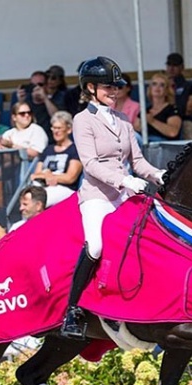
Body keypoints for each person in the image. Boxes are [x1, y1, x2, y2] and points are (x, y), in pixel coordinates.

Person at [61, 56, 164, 339]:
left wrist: (159, 174)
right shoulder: (83, 120)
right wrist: (124, 179)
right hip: (97, 195)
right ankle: (72, 310)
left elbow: (139, 161)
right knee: (95, 245)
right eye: (108, 87)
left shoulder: (123, 120)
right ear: (91, 88)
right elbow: (91, 164)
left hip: (124, 195)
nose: (114, 92)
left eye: (116, 87)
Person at [30, 111, 82, 207]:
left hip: (64, 188)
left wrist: (52, 177)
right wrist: (47, 175)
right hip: (43, 186)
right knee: (28, 198)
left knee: (39, 200)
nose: (55, 131)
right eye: (53, 128)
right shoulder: (48, 150)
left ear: (69, 129)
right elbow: (35, 174)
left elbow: (70, 177)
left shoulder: (74, 150)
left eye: (59, 128)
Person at [133, 72, 182, 141]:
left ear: (167, 90)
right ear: (150, 88)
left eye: (162, 85)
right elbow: (136, 129)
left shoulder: (172, 109)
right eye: (154, 84)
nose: (157, 87)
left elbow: (173, 132)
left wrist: (152, 121)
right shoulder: (145, 110)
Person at [165, 52, 192, 118]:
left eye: (175, 65)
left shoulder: (188, 86)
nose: (171, 68)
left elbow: (184, 107)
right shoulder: (161, 85)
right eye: (169, 64)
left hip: (182, 118)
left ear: (182, 67)